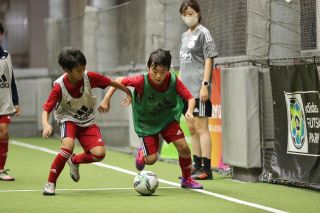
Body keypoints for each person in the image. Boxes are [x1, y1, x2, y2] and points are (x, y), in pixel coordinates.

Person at [100, 48, 203, 189]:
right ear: (148, 67)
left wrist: (190, 111)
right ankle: (142, 154)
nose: (158, 76)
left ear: (168, 69)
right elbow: (118, 81)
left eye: (163, 72)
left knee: (184, 148)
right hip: (146, 124)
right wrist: (106, 99)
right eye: (155, 72)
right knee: (152, 160)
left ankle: (186, 179)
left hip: (167, 120)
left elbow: (190, 98)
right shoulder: (141, 81)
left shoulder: (173, 80)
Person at [41, 47, 131, 195]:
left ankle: (75, 161)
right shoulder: (59, 87)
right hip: (67, 119)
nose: (82, 72)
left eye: (83, 68)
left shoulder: (89, 77)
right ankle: (50, 183)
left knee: (99, 154)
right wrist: (46, 124)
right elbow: (46, 109)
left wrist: (127, 92)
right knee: (67, 146)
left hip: (87, 121)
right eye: (78, 70)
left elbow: (111, 83)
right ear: (67, 70)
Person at [179, 0, 218, 180]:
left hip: (198, 90)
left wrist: (205, 85)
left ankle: (207, 169)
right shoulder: (184, 36)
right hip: (185, 93)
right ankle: (195, 166)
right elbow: (183, 64)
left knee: (202, 129)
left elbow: (209, 59)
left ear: (198, 13)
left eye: (190, 12)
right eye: (185, 13)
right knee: (192, 129)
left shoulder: (204, 33)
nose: (188, 16)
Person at [0, 22, 21, 181]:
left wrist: (15, 101)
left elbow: (11, 79)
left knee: (4, 132)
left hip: (4, 103)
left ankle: (0, 170)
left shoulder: (6, 56)